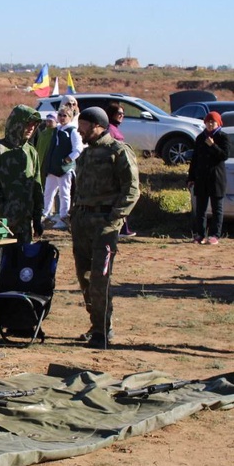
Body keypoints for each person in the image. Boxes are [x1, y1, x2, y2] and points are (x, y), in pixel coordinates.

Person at [70, 107, 140, 349]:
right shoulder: (86, 154)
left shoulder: (118, 151)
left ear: (96, 125)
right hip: (81, 224)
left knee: (101, 279)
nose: (79, 130)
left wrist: (114, 220)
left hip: (104, 226)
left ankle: (103, 330)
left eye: (83, 125)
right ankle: (96, 325)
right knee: (85, 278)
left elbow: (131, 189)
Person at [0, 105, 44, 244]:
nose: (31, 127)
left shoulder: (31, 153)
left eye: (34, 124)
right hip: (0, 225)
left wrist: (37, 219)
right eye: (28, 123)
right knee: (0, 263)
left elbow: (37, 189)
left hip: (24, 225)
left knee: (23, 264)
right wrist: (1, 209)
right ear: (17, 124)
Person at [188, 111, 228, 245]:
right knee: (201, 209)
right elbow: (195, 159)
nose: (210, 124)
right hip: (201, 178)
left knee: (217, 209)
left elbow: (224, 155)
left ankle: (215, 235)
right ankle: (200, 234)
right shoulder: (200, 138)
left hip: (216, 178)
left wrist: (213, 145)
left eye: (213, 122)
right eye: (208, 121)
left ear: (218, 123)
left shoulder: (223, 137)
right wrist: (191, 177)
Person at [41, 106, 83, 231]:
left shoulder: (72, 131)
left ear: (70, 117)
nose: (62, 118)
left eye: (65, 115)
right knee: (48, 192)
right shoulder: (56, 129)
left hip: (64, 168)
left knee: (64, 194)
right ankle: (45, 213)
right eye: (60, 115)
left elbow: (78, 149)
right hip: (53, 167)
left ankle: (64, 216)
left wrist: (67, 160)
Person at [106, 103, 137, 238]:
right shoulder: (109, 129)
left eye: (123, 114)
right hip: (113, 170)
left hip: (121, 167)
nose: (121, 116)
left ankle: (123, 228)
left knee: (122, 197)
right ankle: (119, 228)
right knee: (117, 199)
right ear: (112, 114)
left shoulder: (115, 129)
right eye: (119, 113)